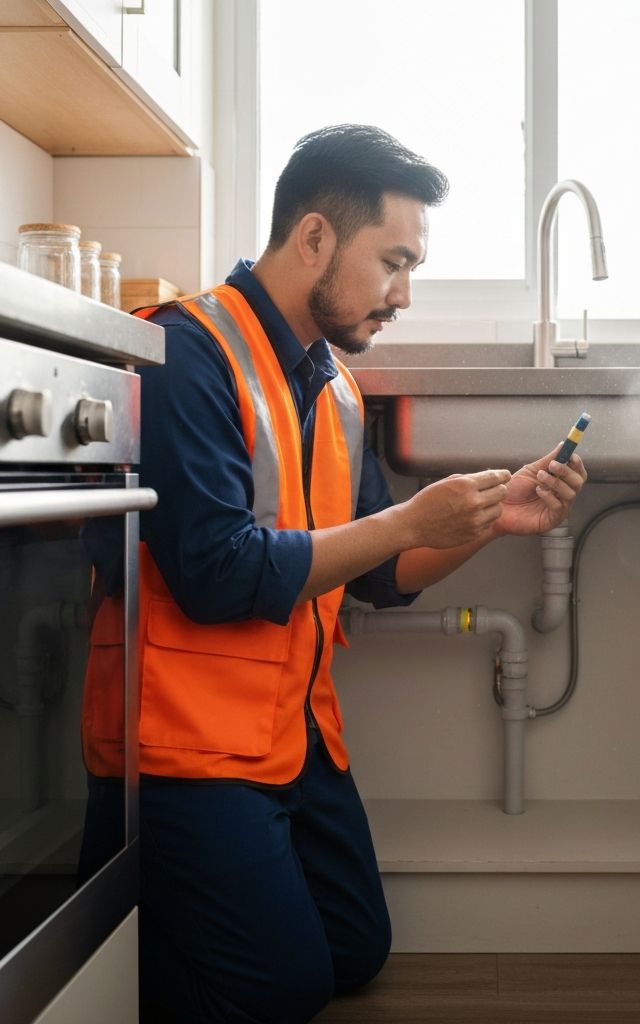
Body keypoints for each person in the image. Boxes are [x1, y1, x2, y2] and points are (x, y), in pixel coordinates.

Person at [78, 124, 587, 1024]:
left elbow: (380, 572)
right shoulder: (185, 352)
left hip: (291, 737)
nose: (404, 294)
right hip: (182, 749)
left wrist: (494, 522)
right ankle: (91, 950)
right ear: (314, 237)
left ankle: (156, 903)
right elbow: (213, 573)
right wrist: (403, 517)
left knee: (355, 950)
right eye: (393, 261)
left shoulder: (335, 386)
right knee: (284, 989)